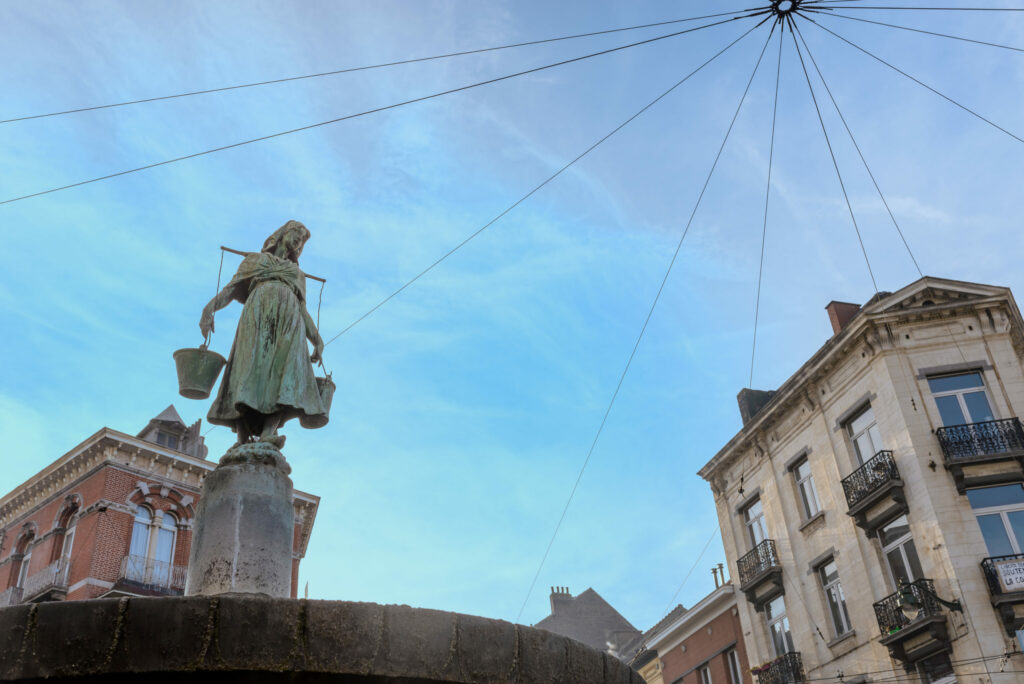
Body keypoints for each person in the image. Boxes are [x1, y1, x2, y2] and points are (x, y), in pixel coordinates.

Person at [199, 220, 326, 448]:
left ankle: (269, 431)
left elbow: (302, 309)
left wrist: (316, 339)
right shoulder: (254, 261)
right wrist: (209, 309)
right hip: (257, 317)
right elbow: (230, 289)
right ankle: (241, 437)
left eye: (301, 244)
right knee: (245, 369)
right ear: (281, 235)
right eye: (296, 237)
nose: (297, 244)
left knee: (284, 373)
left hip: (289, 323)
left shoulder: (297, 274)